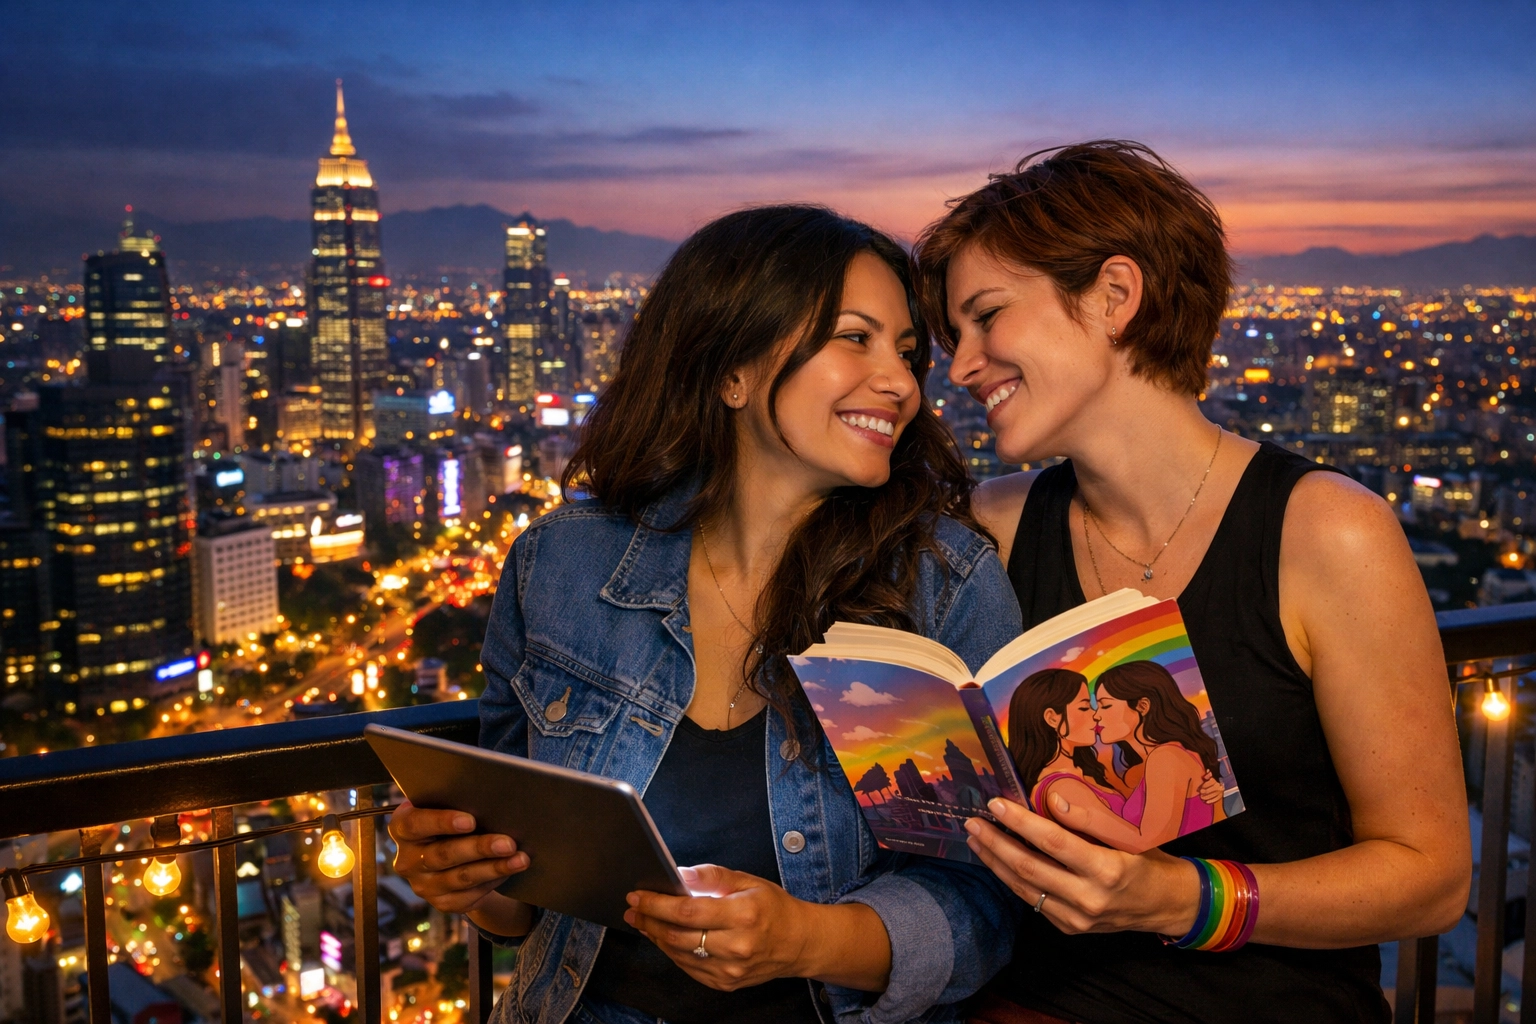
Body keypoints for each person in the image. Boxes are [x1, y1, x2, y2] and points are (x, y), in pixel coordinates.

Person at [387, 205, 1025, 1024]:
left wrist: (807, 940)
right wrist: (470, 884)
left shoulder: (937, 586)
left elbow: (988, 905)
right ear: (733, 371)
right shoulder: (564, 565)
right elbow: (526, 901)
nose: (901, 381)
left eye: (907, 352)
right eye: (854, 338)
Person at [913, 141, 1470, 1023]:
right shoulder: (996, 524)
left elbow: (1430, 879)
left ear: (1114, 296)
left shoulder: (1326, 532)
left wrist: (1183, 899)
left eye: (987, 318)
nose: (965, 364)